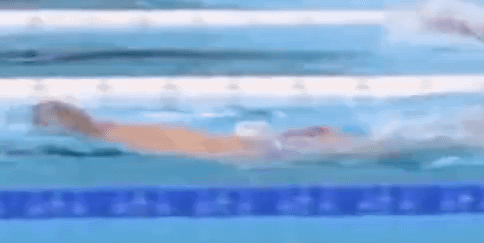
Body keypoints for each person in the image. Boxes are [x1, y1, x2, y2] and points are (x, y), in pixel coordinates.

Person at [33, 100, 358, 161]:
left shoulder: (107, 136)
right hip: (246, 143)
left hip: (248, 152)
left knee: (374, 148)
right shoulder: (113, 129)